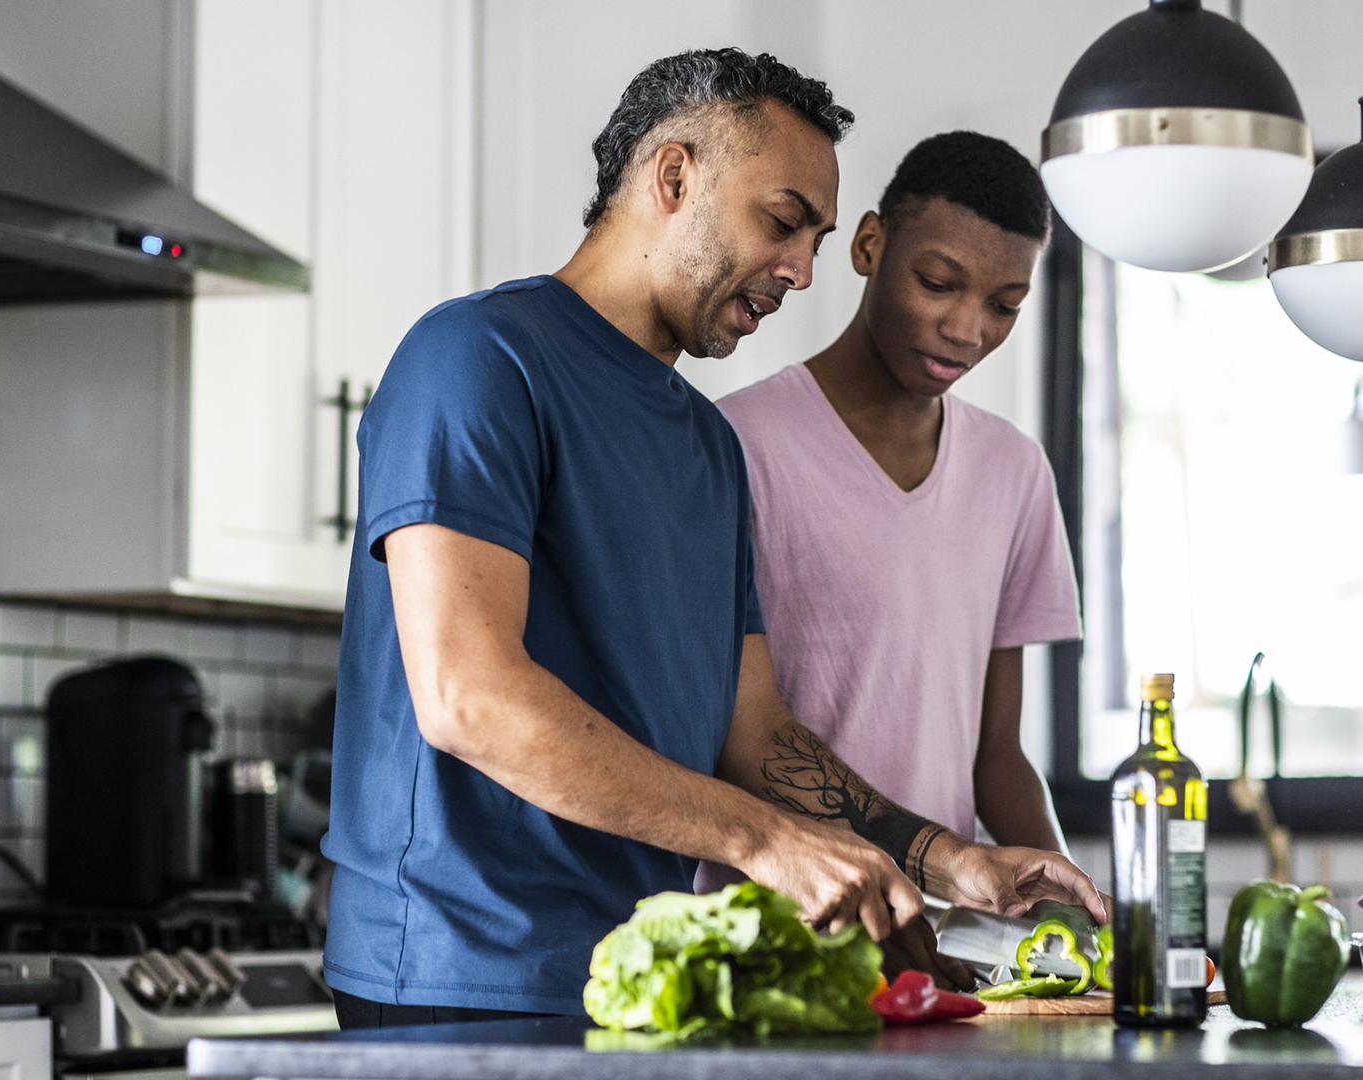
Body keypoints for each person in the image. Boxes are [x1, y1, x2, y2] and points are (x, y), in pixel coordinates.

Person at [321, 50, 1104, 1030]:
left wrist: (947, 859)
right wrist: (770, 844)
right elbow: (468, 697)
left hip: (648, 980)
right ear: (674, 176)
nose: (802, 270)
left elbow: (758, 736)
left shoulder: (706, 444)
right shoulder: (478, 360)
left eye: (816, 238)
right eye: (782, 223)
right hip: (454, 984)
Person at [713, 132, 1081, 883]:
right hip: (775, 932)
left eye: (1004, 305)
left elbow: (997, 756)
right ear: (869, 244)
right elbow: (729, 734)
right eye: (940, 283)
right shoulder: (733, 444)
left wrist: (1076, 909)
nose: (968, 330)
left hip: (942, 942)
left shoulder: (1014, 472)